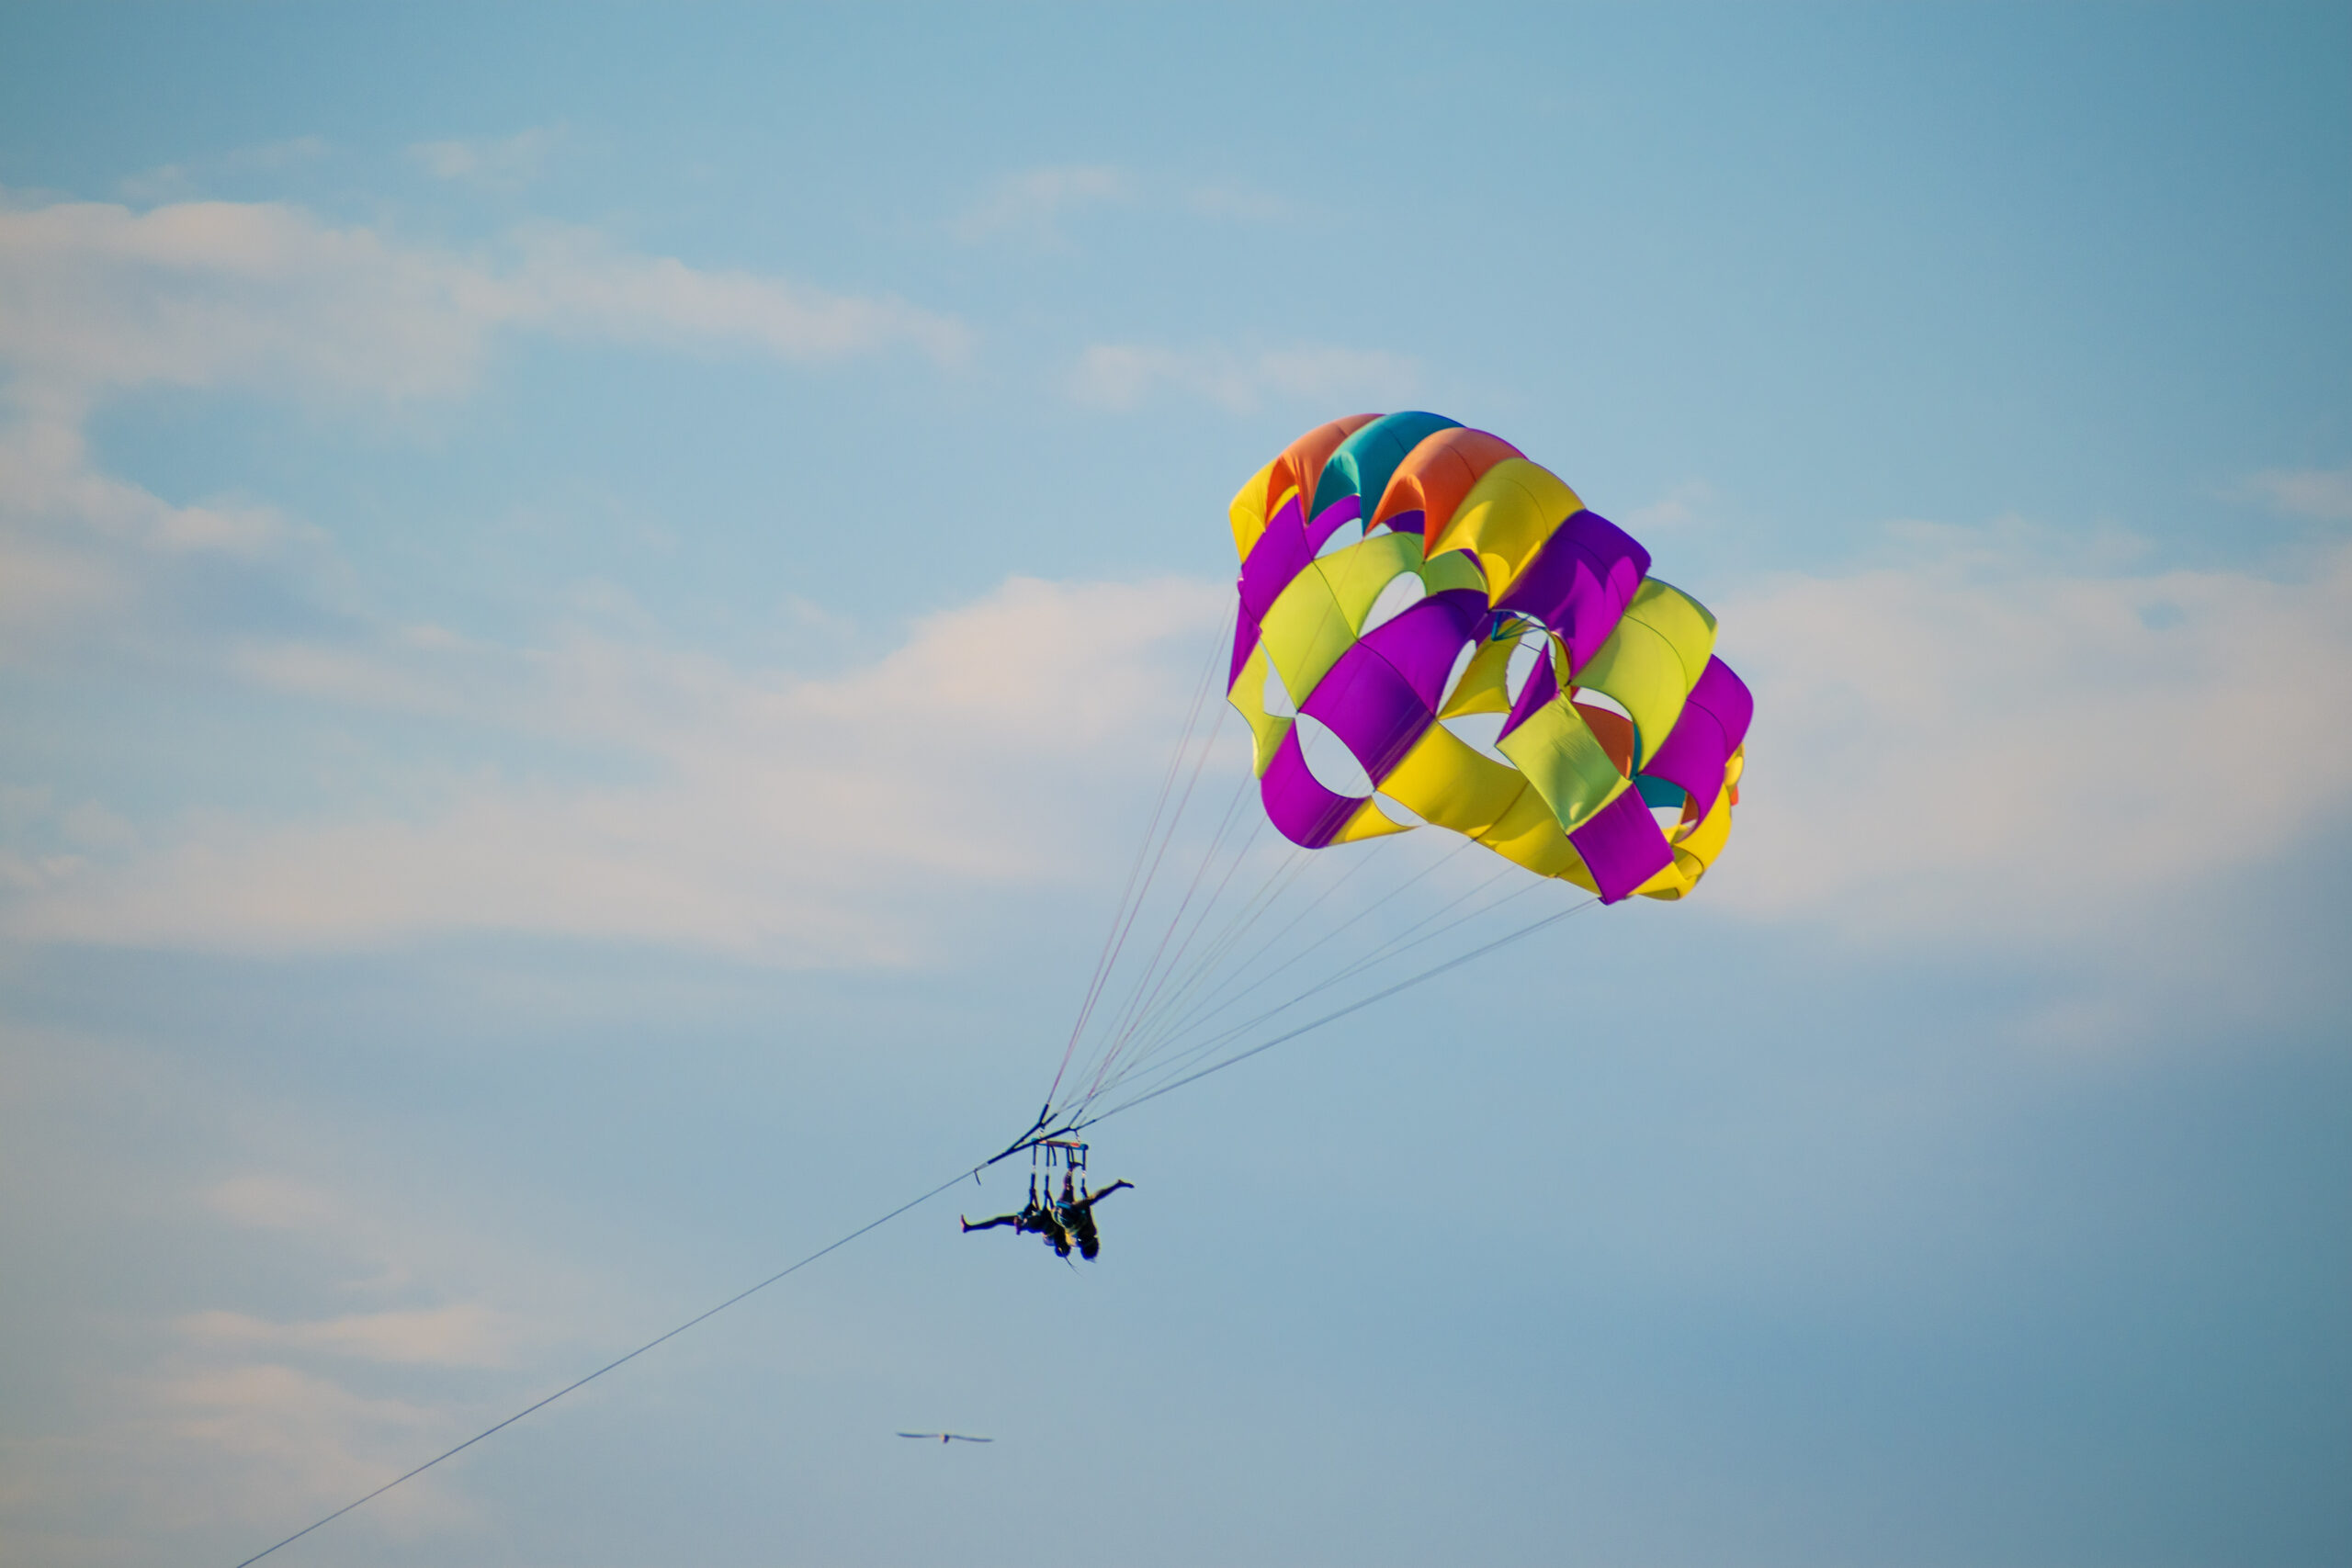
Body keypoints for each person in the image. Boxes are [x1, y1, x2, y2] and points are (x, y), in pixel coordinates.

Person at [1058, 1179, 1134, 1260]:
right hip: (1061, 1215)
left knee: (1093, 1198)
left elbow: (1088, 1211)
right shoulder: (1073, 1243)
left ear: (1094, 1245)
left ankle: (1117, 1185)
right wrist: (1084, 1196)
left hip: (1071, 1212)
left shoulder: (1091, 1232)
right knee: (1068, 1189)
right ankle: (1070, 1169)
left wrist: (1086, 1198)